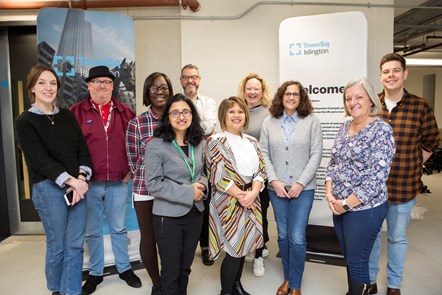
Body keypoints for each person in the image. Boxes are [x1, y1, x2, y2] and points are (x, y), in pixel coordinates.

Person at [15, 64, 91, 295]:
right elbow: (39, 159)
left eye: (53, 83)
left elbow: (82, 149)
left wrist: (80, 178)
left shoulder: (67, 116)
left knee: (75, 244)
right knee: (58, 245)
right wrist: (71, 181)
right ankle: (56, 289)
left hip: (77, 188)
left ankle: (72, 291)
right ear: (32, 88)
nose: (48, 88)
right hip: (49, 188)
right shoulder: (25, 121)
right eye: (42, 83)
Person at [368, 53, 440, 295]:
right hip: (373, 191)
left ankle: (394, 285)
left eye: (396, 71)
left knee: (397, 238)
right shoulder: (372, 106)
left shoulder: (420, 106)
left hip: (403, 187)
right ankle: (370, 282)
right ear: (380, 76)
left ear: (404, 74)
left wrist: (414, 162)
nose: (391, 75)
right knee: (373, 237)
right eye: (386, 71)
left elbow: (431, 141)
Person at [70, 65, 141, 294]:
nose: (102, 85)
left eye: (107, 82)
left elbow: (136, 145)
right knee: (92, 231)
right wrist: (77, 178)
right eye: (97, 81)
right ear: (89, 85)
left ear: (113, 86)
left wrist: (131, 170)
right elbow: (68, 148)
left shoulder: (126, 112)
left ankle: (124, 268)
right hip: (88, 183)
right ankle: (95, 273)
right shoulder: (76, 112)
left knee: (119, 227)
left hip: (119, 182)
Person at [326, 77, 395, 295]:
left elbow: (377, 177)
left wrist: (347, 204)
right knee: (349, 256)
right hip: (339, 205)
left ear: (371, 100)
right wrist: (329, 194)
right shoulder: (345, 126)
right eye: (348, 98)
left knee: (357, 260)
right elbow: (333, 161)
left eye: (359, 97)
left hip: (365, 209)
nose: (353, 102)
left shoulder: (381, 130)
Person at [260, 80, 322, 295]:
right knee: (283, 235)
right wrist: (274, 181)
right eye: (288, 94)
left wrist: (300, 183)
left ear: (301, 97)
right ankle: (288, 277)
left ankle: (295, 284)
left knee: (297, 236)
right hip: (276, 189)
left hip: (302, 190)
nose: (291, 97)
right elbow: (264, 153)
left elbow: (316, 156)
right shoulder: (270, 122)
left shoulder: (312, 122)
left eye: (296, 94)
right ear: (281, 96)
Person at [144, 93, 206, 295]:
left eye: (186, 112)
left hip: (195, 214)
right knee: (171, 271)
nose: (181, 116)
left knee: (185, 268)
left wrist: (202, 187)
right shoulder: (156, 145)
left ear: (192, 115)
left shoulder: (198, 143)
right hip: (168, 217)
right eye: (175, 112)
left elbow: (204, 173)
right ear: (167, 117)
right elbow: (153, 184)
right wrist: (189, 192)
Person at [206, 96, 266, 295]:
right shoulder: (215, 141)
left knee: (244, 246)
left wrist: (254, 192)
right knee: (233, 250)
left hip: (252, 199)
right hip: (229, 202)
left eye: (240, 111)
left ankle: (236, 286)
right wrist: (242, 196)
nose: (237, 115)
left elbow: (261, 171)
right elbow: (218, 176)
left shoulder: (252, 141)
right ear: (223, 115)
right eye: (232, 111)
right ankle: (226, 292)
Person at [126, 72, 174, 295]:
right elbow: (133, 159)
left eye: (164, 87)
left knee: (171, 239)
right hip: (145, 190)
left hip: (173, 190)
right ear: (147, 92)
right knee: (149, 238)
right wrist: (149, 179)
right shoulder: (137, 123)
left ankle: (171, 280)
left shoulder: (178, 117)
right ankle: (157, 283)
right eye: (154, 88)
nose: (160, 91)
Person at [180, 64, 217, 266]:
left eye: (193, 77)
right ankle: (183, 246)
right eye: (186, 77)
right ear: (181, 81)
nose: (190, 81)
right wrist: (197, 128)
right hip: (178, 158)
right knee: (183, 198)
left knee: (203, 201)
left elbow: (209, 126)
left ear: (199, 79)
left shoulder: (209, 102)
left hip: (203, 158)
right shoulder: (174, 102)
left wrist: (182, 127)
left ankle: (204, 246)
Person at [237, 72, 271, 277]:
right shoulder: (237, 110)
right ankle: (251, 247)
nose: (252, 91)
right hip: (240, 175)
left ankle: (259, 256)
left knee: (260, 216)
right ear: (244, 90)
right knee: (244, 214)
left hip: (261, 174)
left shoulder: (269, 113)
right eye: (248, 88)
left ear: (262, 91)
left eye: (256, 88)